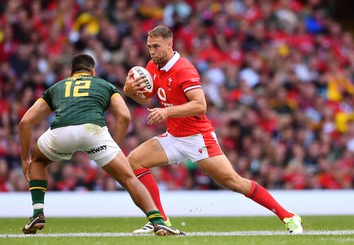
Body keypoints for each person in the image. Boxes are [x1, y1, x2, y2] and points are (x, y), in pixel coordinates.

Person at [123, 26, 303, 234]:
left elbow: (200, 105)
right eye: (149, 47)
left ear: (170, 44)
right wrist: (129, 91)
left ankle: (288, 216)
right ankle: (160, 219)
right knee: (134, 161)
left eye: (156, 46)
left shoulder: (184, 69)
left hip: (198, 138)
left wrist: (166, 113)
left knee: (234, 182)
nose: (152, 51)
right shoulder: (152, 67)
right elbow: (146, 97)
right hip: (174, 136)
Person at [19, 53, 184, 236]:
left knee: (38, 162)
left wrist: (25, 159)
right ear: (93, 71)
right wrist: (115, 147)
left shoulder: (56, 87)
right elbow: (124, 116)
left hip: (61, 132)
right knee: (129, 178)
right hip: (94, 131)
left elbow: (25, 122)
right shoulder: (105, 85)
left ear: (71, 72)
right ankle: (158, 222)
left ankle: (37, 213)